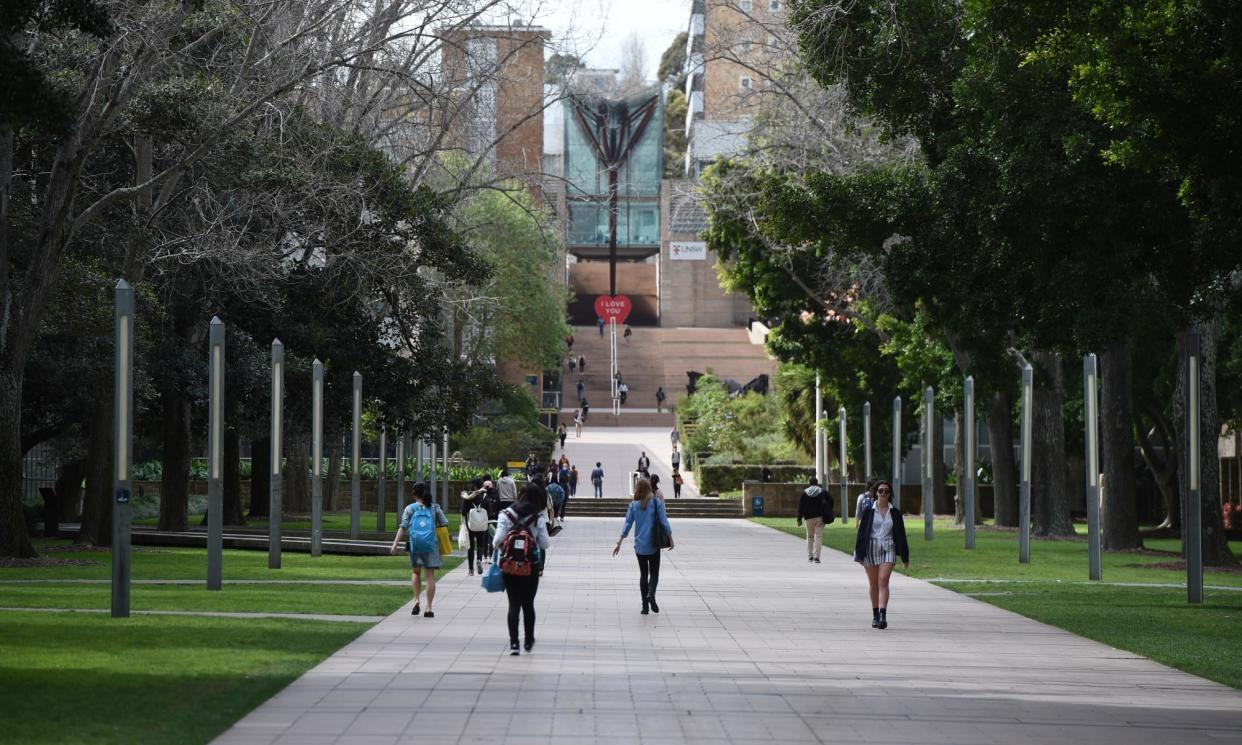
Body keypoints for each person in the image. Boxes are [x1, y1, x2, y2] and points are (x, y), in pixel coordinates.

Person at [494, 483, 552, 655]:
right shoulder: (538, 518)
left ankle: (513, 644)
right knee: (528, 604)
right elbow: (545, 544)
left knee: (513, 605)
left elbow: (496, 541)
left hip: (510, 567)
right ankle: (528, 640)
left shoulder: (505, 515)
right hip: (530, 567)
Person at [853, 480, 909, 630]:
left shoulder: (895, 513)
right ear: (876, 493)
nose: (883, 493)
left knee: (883, 580)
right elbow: (861, 533)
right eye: (880, 491)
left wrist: (905, 557)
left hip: (888, 547)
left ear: (890, 494)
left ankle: (883, 616)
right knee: (874, 584)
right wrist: (859, 554)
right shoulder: (869, 511)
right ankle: (875, 615)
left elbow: (901, 535)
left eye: (886, 491)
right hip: (870, 547)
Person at [613, 478, 674, 615]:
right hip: (653, 545)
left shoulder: (633, 505)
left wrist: (619, 543)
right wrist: (670, 538)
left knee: (643, 574)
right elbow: (664, 522)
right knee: (654, 573)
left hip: (640, 547)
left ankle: (645, 607)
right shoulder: (656, 503)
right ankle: (651, 594)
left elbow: (627, 525)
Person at [389, 481, 448, 617]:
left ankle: (416, 600)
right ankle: (429, 608)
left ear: (414, 494)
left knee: (416, 573)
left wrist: (395, 544)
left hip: (415, 545)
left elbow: (403, 527)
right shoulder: (434, 507)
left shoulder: (410, 508)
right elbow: (444, 522)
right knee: (430, 577)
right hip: (431, 545)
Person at [797, 477, 834, 564]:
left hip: (808, 518)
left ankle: (810, 556)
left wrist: (799, 519)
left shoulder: (805, 493)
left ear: (809, 483)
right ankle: (817, 557)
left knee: (809, 537)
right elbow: (831, 500)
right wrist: (828, 508)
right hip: (819, 518)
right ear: (817, 483)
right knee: (818, 537)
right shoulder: (823, 492)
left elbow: (800, 507)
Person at [461, 480, 490, 576]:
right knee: (480, 544)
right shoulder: (485, 496)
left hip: (470, 524)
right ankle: (479, 559)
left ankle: (470, 570)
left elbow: (464, 512)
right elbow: (489, 511)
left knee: (471, 546)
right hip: (481, 524)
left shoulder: (467, 496)